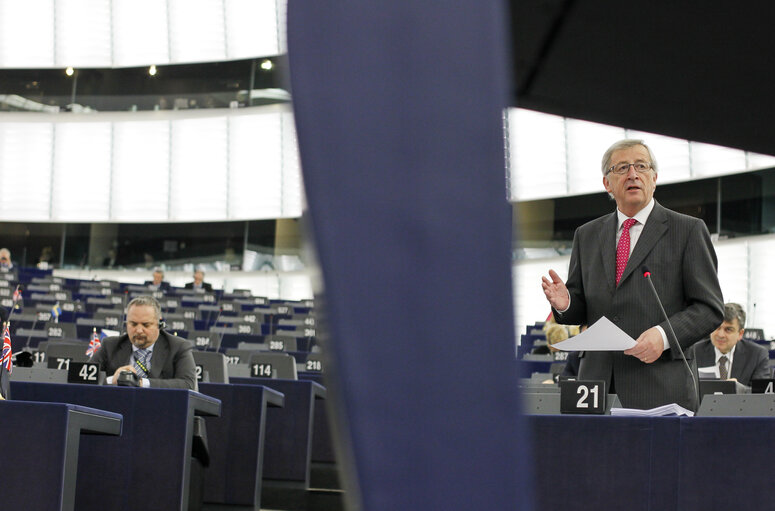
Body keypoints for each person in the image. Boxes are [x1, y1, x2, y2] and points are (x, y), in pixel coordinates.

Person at [541, 139, 724, 411]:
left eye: (641, 166)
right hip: (595, 386)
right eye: (622, 167)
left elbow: (709, 309)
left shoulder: (687, 230)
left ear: (654, 177)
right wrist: (565, 304)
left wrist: (663, 337)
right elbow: (582, 308)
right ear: (607, 183)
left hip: (660, 384)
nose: (633, 174)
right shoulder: (587, 235)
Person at [91, 295, 197, 390]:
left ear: (159, 324)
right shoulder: (110, 345)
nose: (139, 330)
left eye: (146, 325)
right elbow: (83, 377)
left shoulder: (178, 347)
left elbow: (188, 384)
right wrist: (111, 380)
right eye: (133, 324)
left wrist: (141, 383)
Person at [689, 303, 770, 386]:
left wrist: (739, 389)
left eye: (728, 329)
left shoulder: (757, 355)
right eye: (717, 327)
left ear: (740, 334)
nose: (720, 335)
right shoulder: (694, 352)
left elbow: (760, 393)